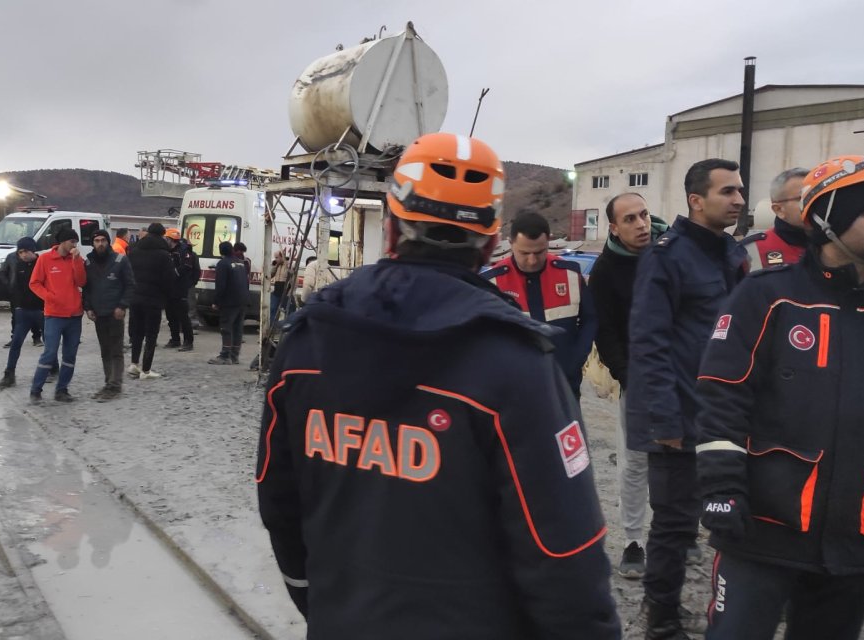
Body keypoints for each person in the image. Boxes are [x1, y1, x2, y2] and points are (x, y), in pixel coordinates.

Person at [256, 132, 620, 639]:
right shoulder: (516, 363)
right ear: (492, 241)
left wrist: (320, 601)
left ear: (391, 228)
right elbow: (562, 549)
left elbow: (278, 499)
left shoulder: (308, 341)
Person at [696, 152, 864, 640]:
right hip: (761, 531)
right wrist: (720, 490)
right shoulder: (766, 298)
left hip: (859, 544)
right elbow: (722, 398)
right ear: (828, 219)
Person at [627, 158, 747, 639]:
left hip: (726, 413)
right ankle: (662, 615)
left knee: (734, 517)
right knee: (675, 526)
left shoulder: (733, 253)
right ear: (697, 201)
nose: (739, 199)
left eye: (740, 190)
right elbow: (648, 342)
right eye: (727, 192)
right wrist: (665, 421)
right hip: (679, 414)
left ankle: (733, 609)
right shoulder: (666, 256)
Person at [586, 192, 668, 579]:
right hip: (638, 381)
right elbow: (606, 331)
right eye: (630, 219)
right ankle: (634, 541)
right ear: (614, 228)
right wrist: (628, 376)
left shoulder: (672, 251)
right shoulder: (605, 271)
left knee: (684, 461)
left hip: (683, 378)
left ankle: (674, 537)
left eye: (644, 215)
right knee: (635, 462)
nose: (641, 225)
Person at [483, 212, 597, 400]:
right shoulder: (493, 282)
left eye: (539, 252)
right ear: (510, 245)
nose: (532, 260)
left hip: (565, 385)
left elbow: (590, 320)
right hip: (514, 390)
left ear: (548, 243)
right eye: (524, 253)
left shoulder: (569, 274)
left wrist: (576, 360)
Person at [28, 228, 87, 403]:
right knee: (49, 353)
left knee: (70, 355)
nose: (74, 245)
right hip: (54, 315)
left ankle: (62, 390)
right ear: (62, 242)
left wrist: (76, 260)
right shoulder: (45, 259)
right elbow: (35, 283)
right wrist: (49, 297)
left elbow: (82, 281)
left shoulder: (77, 259)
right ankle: (36, 390)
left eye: (76, 242)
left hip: (74, 315)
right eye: (72, 242)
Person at [83, 229, 135, 400]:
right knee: (105, 350)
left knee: (116, 350)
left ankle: (115, 385)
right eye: (96, 240)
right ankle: (108, 382)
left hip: (115, 313)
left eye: (103, 240)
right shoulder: (89, 263)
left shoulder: (120, 260)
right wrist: (88, 308)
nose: (100, 244)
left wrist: (122, 305)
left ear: (108, 242)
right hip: (98, 314)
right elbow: (87, 288)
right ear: (93, 243)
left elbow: (130, 285)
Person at [0, 237, 47, 389]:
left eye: (26, 251)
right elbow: (16, 287)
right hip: (23, 311)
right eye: (20, 252)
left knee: (49, 342)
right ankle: (9, 374)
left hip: (41, 310)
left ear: (33, 250)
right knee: (16, 343)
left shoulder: (42, 264)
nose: (23, 255)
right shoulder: (19, 265)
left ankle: (53, 368)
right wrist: (16, 306)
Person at [126, 223, 175, 379]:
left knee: (137, 332)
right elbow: (169, 280)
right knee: (151, 335)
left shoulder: (133, 250)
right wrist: (167, 298)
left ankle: (134, 364)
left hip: (135, 298)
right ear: (162, 235)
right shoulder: (163, 255)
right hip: (153, 300)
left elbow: (127, 274)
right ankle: (146, 370)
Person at [742, 168, 809, 272]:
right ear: (779, 210)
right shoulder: (750, 250)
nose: (813, 202)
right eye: (803, 198)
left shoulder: (835, 246)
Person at [208, 240, 248, 365]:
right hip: (242, 300)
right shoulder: (241, 263)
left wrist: (216, 301)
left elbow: (221, 285)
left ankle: (225, 356)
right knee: (237, 328)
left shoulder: (222, 264)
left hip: (229, 301)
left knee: (226, 327)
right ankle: (234, 356)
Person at [163, 227, 196, 351]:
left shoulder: (184, 251)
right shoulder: (167, 251)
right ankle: (175, 339)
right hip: (169, 289)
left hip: (180, 288)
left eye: (166, 238)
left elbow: (187, 267)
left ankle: (188, 341)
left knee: (183, 316)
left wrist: (173, 273)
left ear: (170, 239)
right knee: (170, 316)